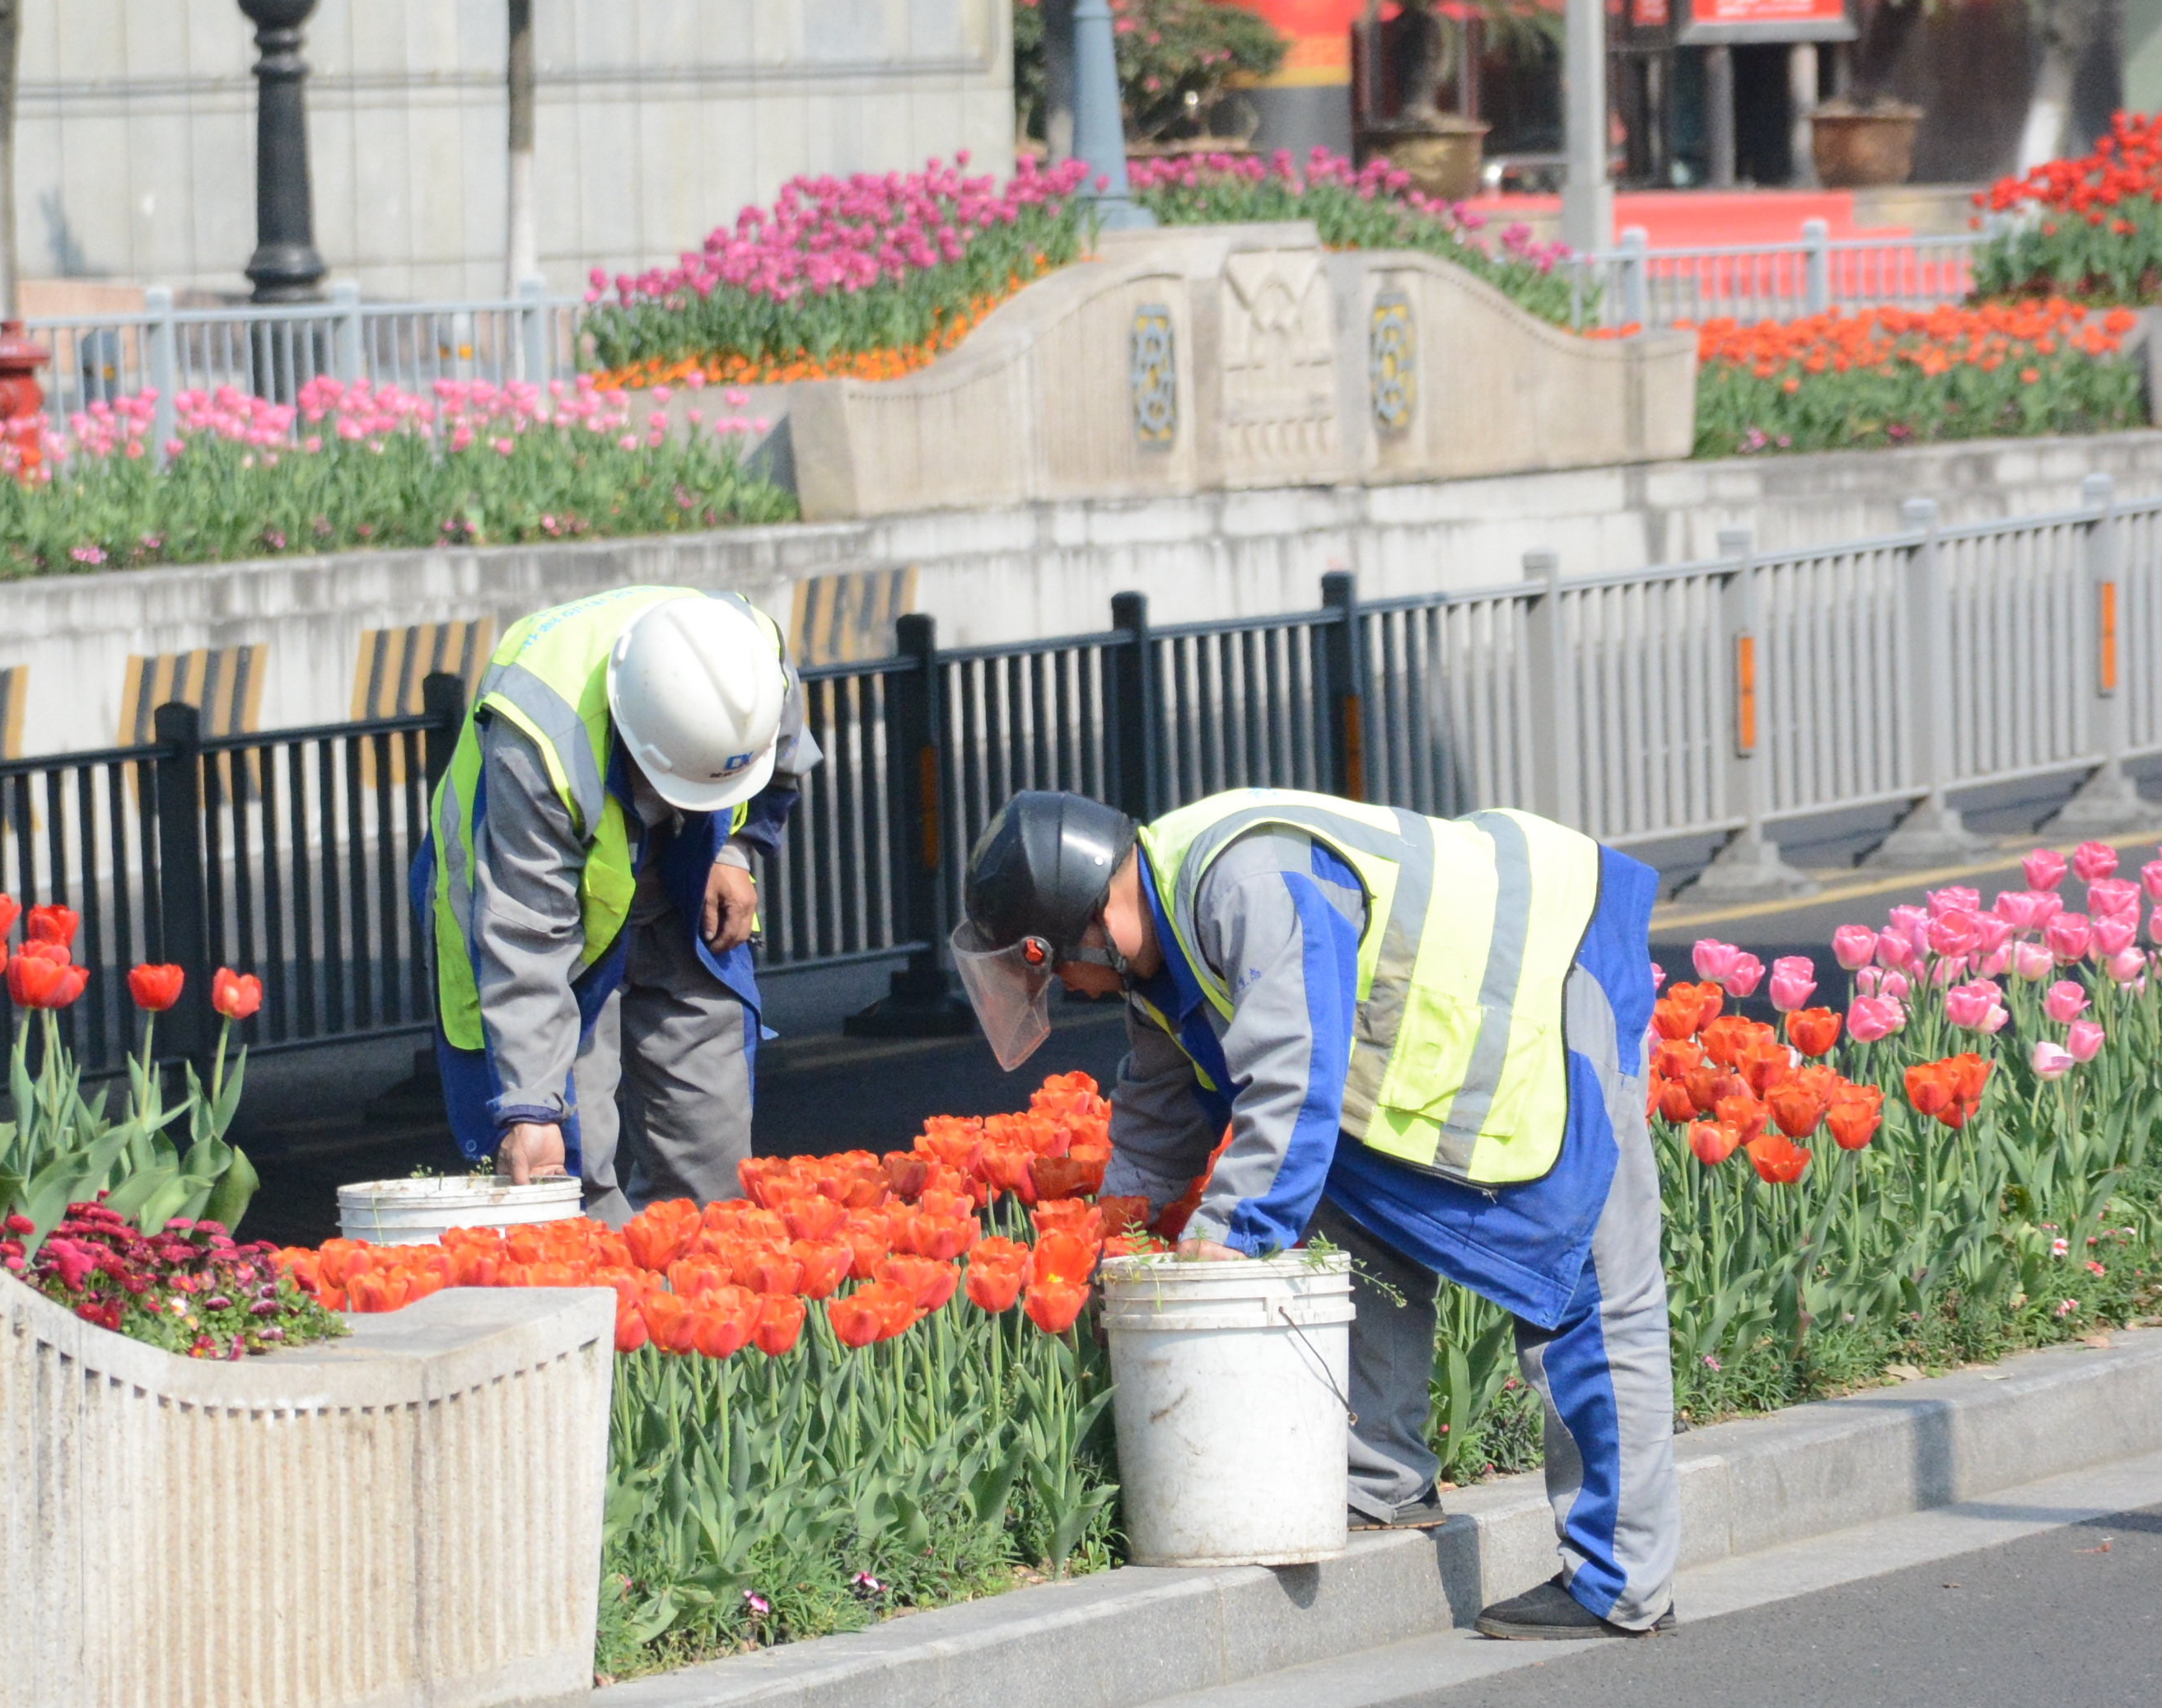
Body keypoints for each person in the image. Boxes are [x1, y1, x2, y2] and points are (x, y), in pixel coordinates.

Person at [951, 786, 1679, 1640]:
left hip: (1550, 975)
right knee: (1352, 1220)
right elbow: (1160, 1117)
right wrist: (1109, 1236)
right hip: (1471, 1027)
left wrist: (1228, 1240)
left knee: (1588, 1297)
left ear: (1083, 922)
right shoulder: (1162, 963)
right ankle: (1384, 1485)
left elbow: (1293, 1071)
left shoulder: (1242, 886)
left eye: (1052, 969)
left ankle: (1621, 1581)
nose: (1065, 989)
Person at [414, 583, 810, 1211]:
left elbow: (781, 763)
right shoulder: (541, 736)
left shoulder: (754, 662)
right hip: (541, 908)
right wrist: (529, 1108)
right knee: (568, 1172)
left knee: (712, 1165)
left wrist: (733, 850)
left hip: (681, 891)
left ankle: (694, 1302)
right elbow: (525, 934)